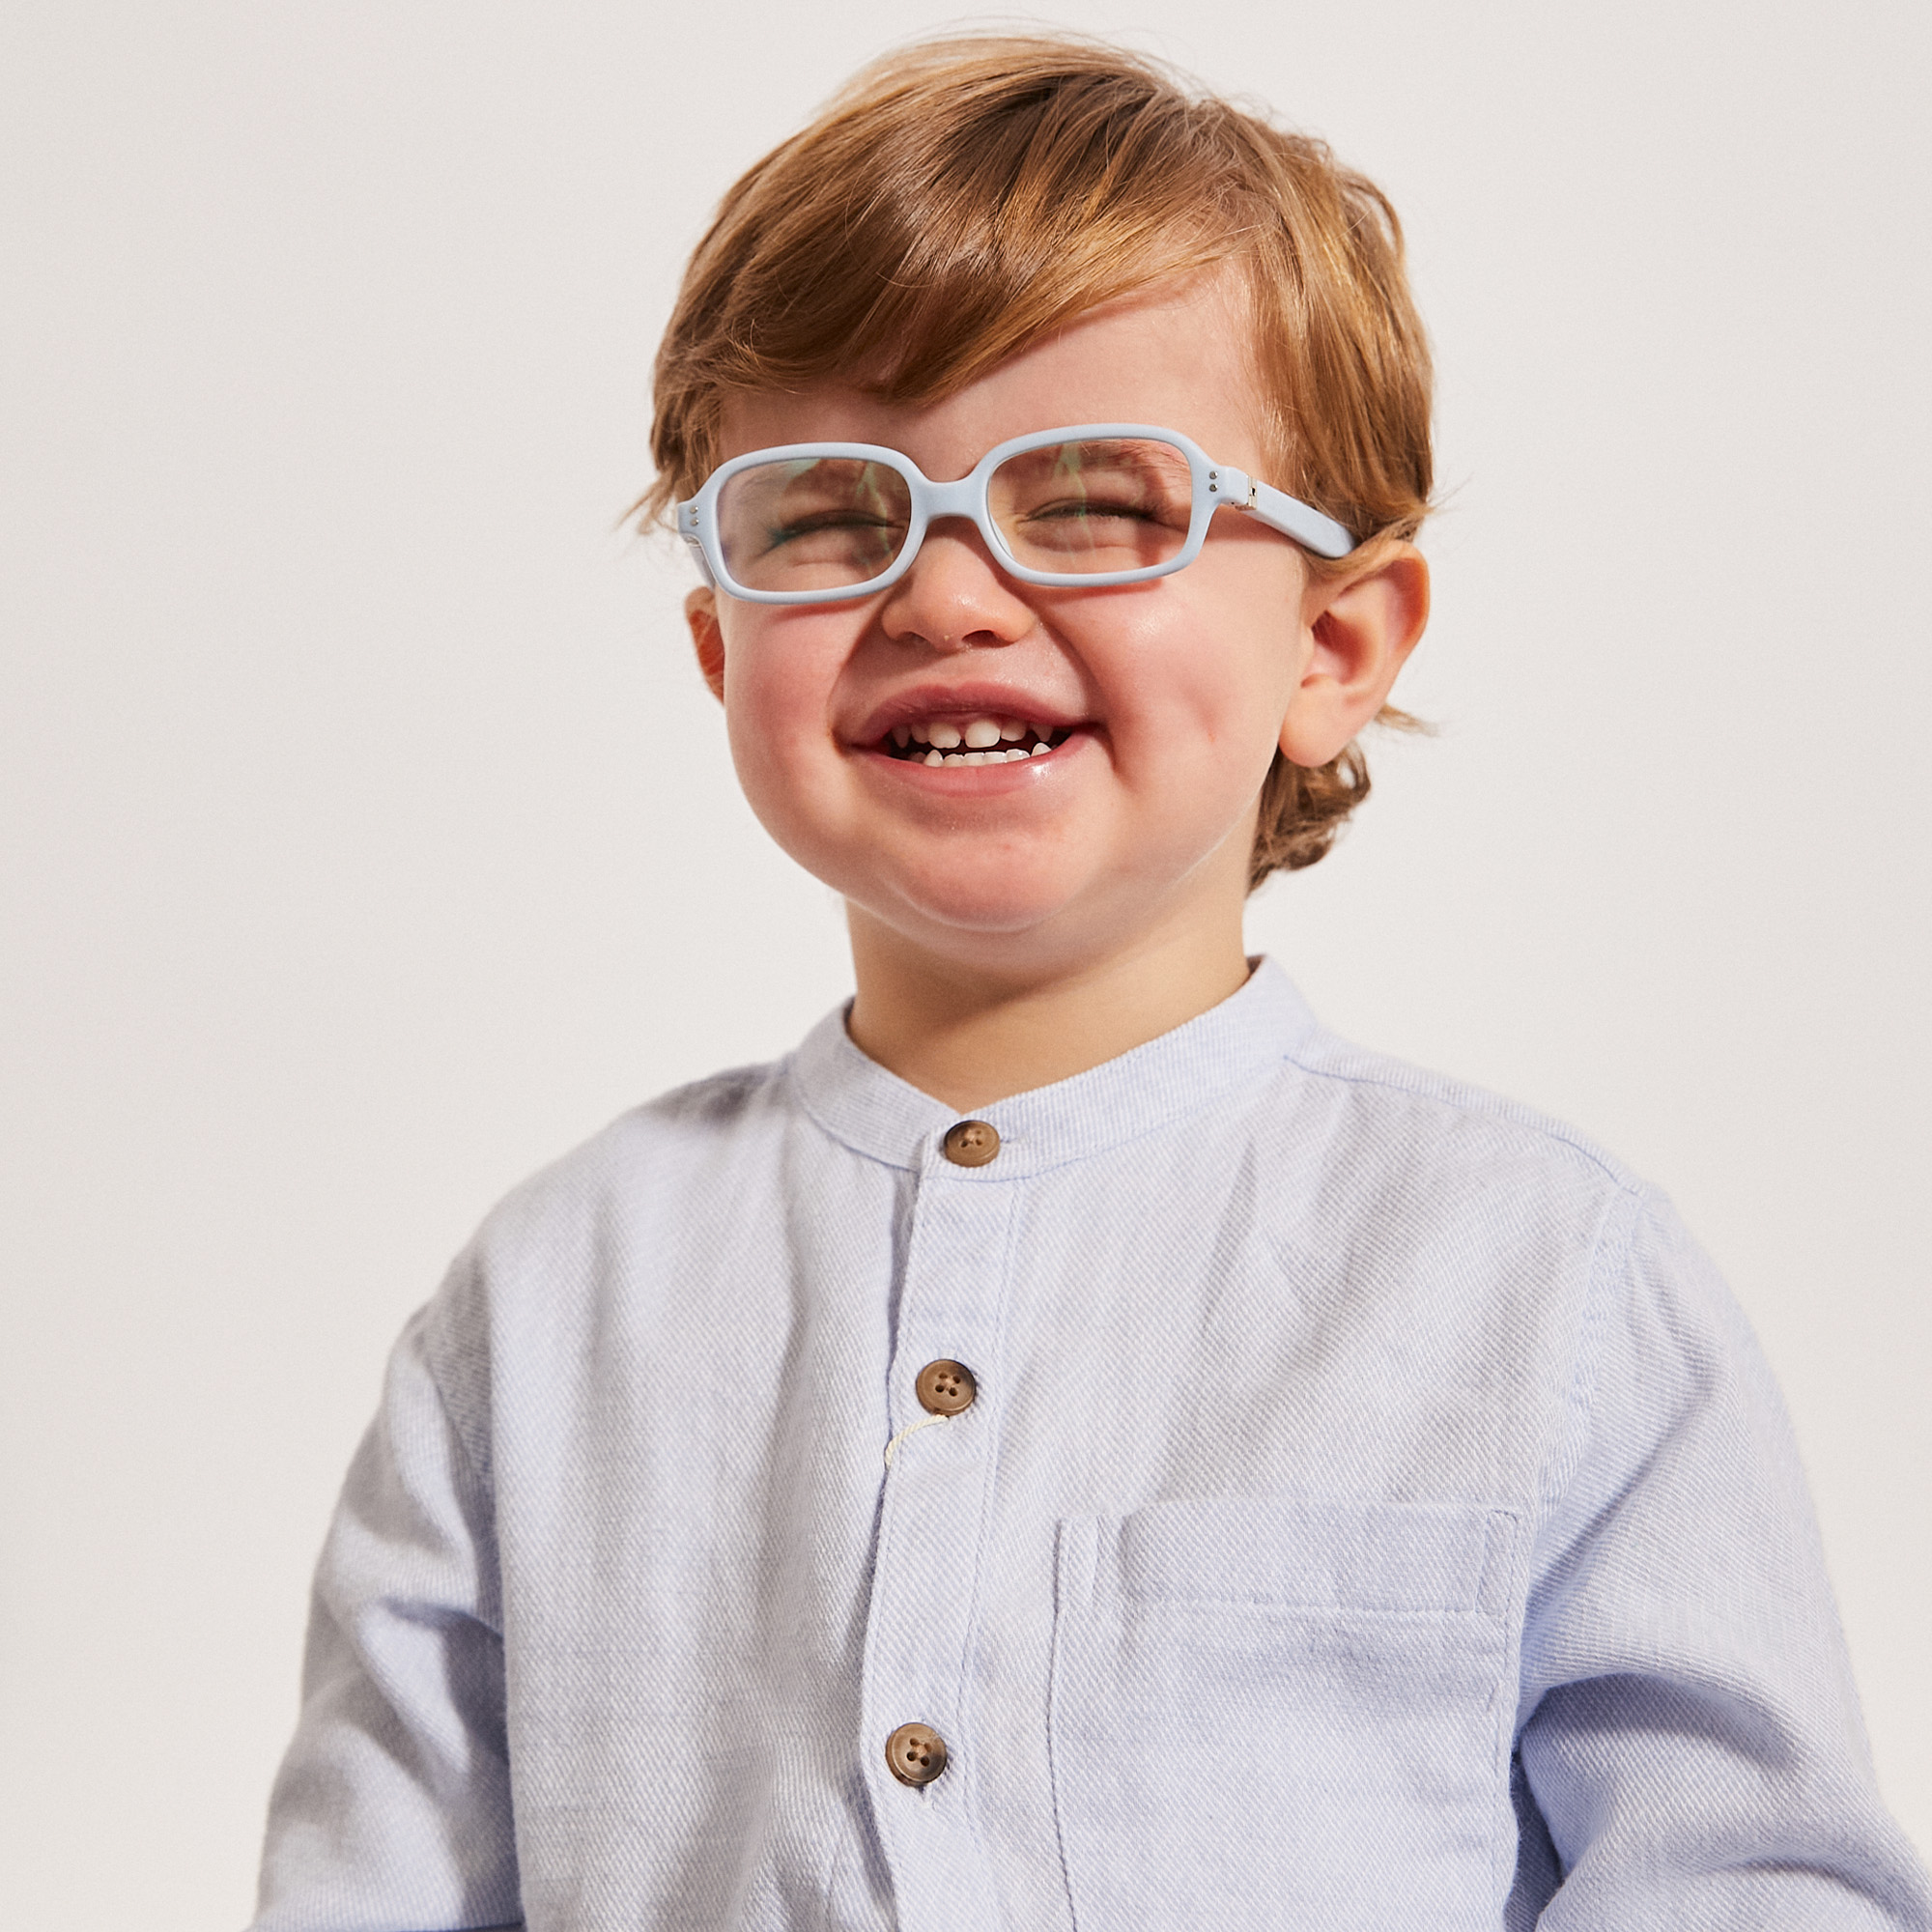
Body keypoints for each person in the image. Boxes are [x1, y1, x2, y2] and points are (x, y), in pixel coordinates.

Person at [248, 33, 1932, 1932]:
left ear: (1335, 644)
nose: (945, 595)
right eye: (826, 512)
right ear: (721, 650)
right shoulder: (549, 1306)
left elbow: (1750, 1888)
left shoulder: (1542, 1279)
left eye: (1094, 501)